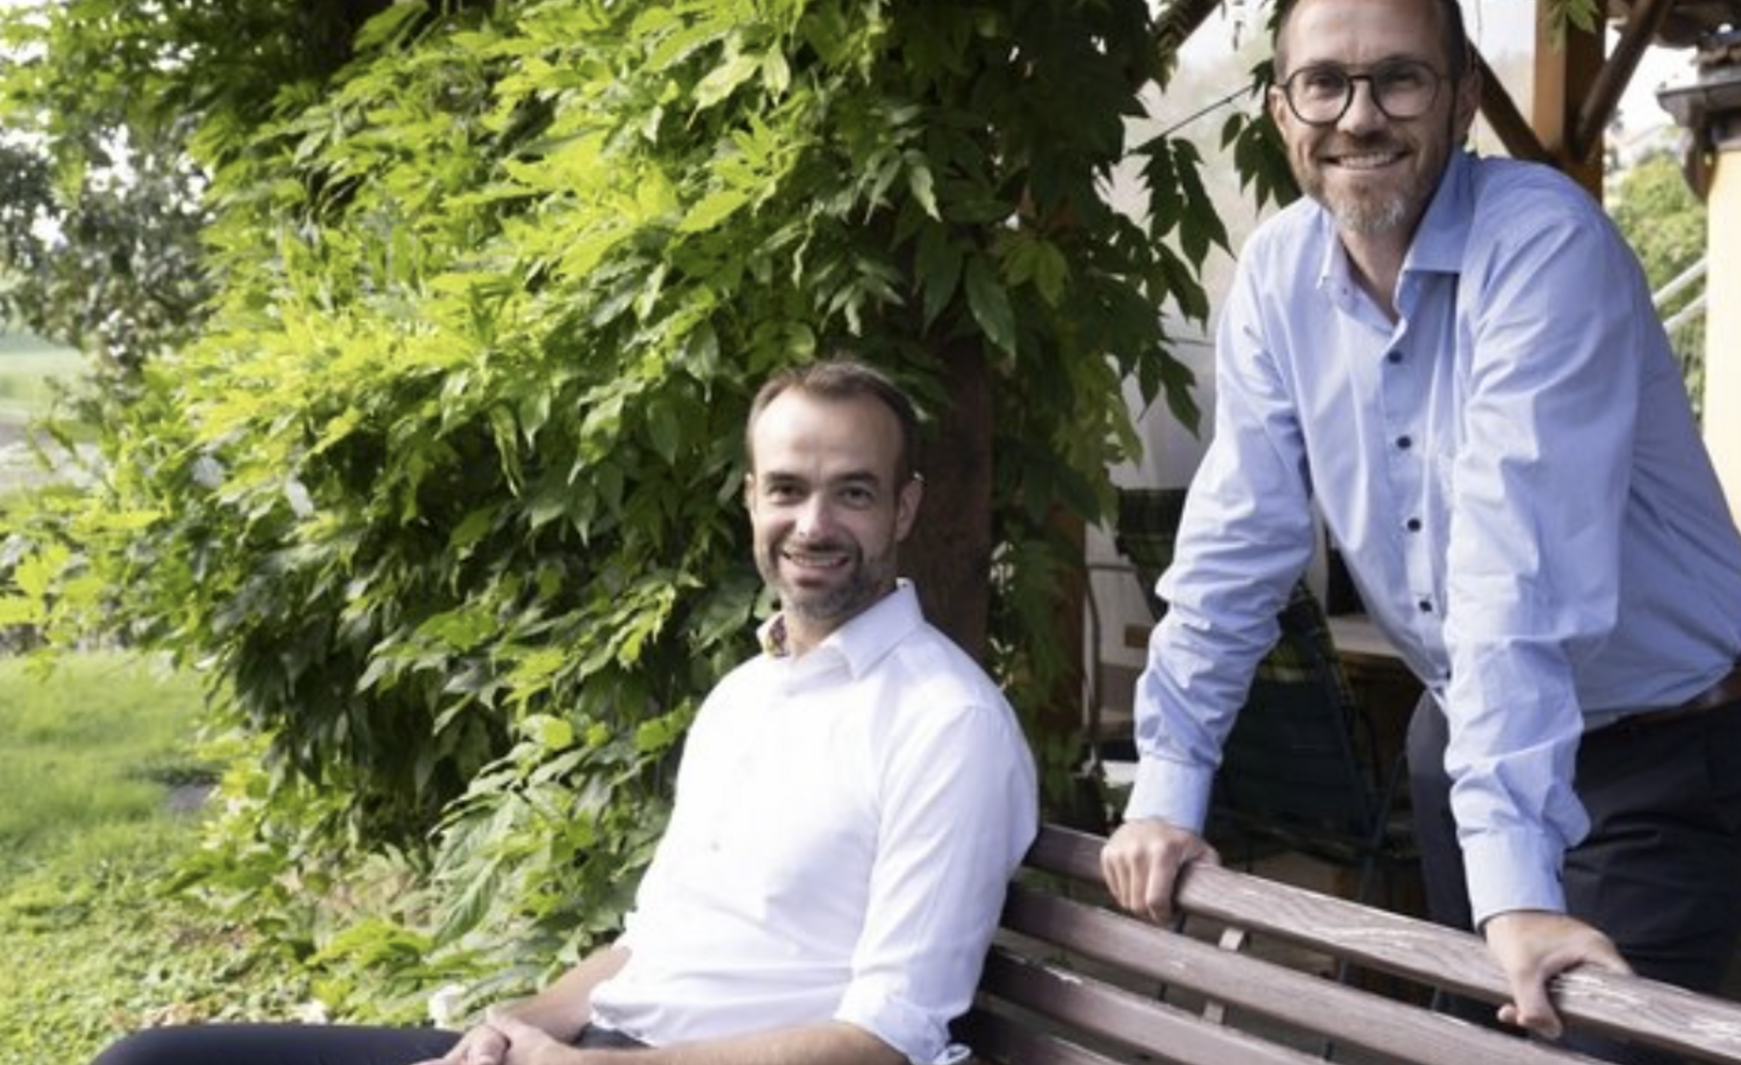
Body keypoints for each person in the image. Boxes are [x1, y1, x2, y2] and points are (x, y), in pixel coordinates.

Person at [1099, 0, 1741, 1059]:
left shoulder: (1542, 244)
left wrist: (1511, 888)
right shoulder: (1276, 275)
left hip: (1667, 746)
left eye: (1398, 81)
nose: (1357, 116)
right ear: (1281, 112)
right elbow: (1236, 546)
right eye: (1323, 84)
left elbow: (1513, 566)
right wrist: (1166, 793)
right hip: (1465, 732)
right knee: (1464, 1046)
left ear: (1463, 98)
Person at [97, 359, 1039, 1065]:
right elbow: (649, 939)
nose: (814, 524)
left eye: (855, 492)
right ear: (752, 499)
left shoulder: (946, 725)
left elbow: (887, 1038)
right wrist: (519, 1024)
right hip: (605, 1046)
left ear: (906, 508)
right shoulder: (747, 694)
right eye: (787, 489)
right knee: (155, 1063)